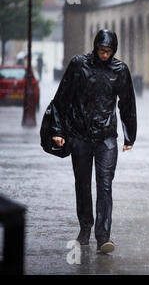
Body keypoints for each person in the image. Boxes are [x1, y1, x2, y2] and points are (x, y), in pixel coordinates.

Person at [50, 29, 137, 254]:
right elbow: (62, 98)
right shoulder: (79, 65)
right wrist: (58, 130)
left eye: (109, 51)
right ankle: (85, 227)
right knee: (82, 183)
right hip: (80, 135)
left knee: (105, 185)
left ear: (114, 50)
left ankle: (103, 236)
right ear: (95, 47)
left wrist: (130, 136)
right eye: (102, 50)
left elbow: (127, 104)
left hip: (107, 137)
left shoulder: (120, 70)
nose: (105, 54)